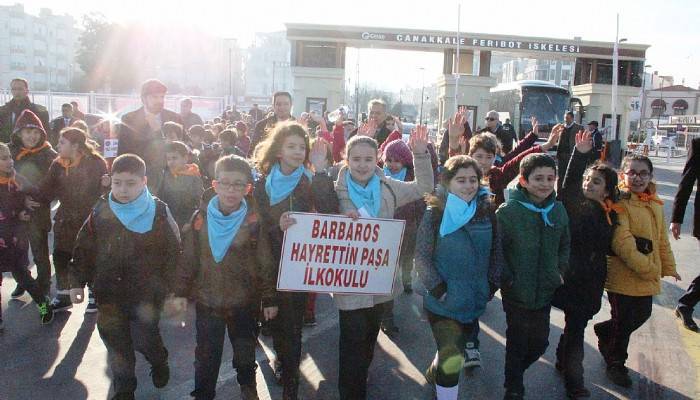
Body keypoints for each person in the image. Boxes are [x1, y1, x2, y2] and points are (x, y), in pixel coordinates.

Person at [333, 127, 434, 400]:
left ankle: (360, 375)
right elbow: (313, 221)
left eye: (368, 159)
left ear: (377, 158)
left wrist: (421, 155)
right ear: (347, 160)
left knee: (367, 340)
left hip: (380, 280)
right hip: (348, 283)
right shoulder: (335, 189)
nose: (362, 165)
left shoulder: (388, 186)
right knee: (351, 343)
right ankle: (351, 393)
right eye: (356, 159)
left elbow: (424, 188)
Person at [69, 154, 181, 400]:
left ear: (144, 181)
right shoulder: (100, 209)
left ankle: (158, 359)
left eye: (130, 183)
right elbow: (83, 247)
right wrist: (76, 282)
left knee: (145, 339)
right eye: (117, 182)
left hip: (146, 294)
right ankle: (124, 389)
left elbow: (174, 252)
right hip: (109, 293)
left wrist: (175, 290)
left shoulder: (159, 211)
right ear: (110, 181)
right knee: (117, 345)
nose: (123, 190)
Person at [174, 155, 277, 400]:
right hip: (208, 301)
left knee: (244, 351)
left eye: (239, 184)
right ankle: (203, 394)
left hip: (244, 302)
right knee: (206, 355)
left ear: (248, 188)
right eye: (226, 183)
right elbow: (188, 260)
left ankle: (248, 387)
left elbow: (264, 261)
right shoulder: (200, 219)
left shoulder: (253, 221)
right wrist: (178, 294)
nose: (231, 190)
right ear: (214, 184)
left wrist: (269, 298)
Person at [255, 122, 338, 400]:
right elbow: (257, 228)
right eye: (291, 146)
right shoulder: (262, 185)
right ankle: (282, 360)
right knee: (278, 324)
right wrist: (276, 225)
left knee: (293, 327)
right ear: (278, 150)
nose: (297, 152)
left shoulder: (310, 180)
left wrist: (321, 169)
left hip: (301, 267)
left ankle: (291, 384)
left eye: (302, 147)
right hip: (272, 265)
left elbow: (329, 209)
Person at [415, 155, 503, 400]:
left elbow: (497, 251)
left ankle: (435, 371)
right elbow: (421, 256)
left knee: (452, 351)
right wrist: (439, 290)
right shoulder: (435, 213)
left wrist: (491, 286)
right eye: (461, 180)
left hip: (474, 299)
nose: (468, 186)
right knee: (451, 359)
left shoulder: (487, 211)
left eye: (473, 180)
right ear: (448, 182)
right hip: (442, 303)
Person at [594, 154, 680, 388]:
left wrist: (668, 266)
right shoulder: (618, 202)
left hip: (645, 274)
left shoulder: (655, 203)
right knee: (623, 324)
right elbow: (622, 244)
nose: (637, 178)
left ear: (651, 176)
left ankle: (604, 331)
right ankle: (616, 363)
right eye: (631, 172)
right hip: (622, 276)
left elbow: (661, 240)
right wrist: (650, 269)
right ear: (623, 175)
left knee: (640, 315)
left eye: (643, 173)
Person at [553, 131, 621, 398]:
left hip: (593, 280)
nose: (589, 184)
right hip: (572, 278)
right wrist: (578, 156)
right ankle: (574, 382)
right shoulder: (575, 205)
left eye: (596, 181)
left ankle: (562, 358)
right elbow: (568, 184)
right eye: (587, 180)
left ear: (607, 188)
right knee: (576, 329)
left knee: (575, 326)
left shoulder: (611, 211)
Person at [497, 153, 570, 400]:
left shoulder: (558, 210)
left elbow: (565, 245)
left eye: (550, 178)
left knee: (540, 343)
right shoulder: (508, 212)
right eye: (538, 178)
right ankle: (514, 386)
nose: (545, 183)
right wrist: (507, 277)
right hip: (517, 291)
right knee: (517, 341)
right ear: (524, 180)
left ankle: (514, 373)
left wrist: (559, 271)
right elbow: (497, 250)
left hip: (545, 290)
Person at [27, 127, 109, 314]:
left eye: (62, 142)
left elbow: (105, 194)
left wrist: (107, 184)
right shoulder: (58, 165)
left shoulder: (96, 163)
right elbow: (46, 190)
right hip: (65, 219)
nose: (58, 146)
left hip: (89, 219)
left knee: (90, 256)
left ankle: (94, 295)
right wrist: (26, 197)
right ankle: (64, 295)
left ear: (75, 145)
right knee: (61, 256)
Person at [0, 142, 54, 330]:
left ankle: (43, 303)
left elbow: (34, 192)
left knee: (21, 274)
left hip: (14, 237)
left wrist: (24, 205)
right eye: (4, 158)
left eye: (9, 156)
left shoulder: (16, 180)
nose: (9, 161)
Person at [8, 110, 57, 298]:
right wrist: (21, 201)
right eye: (28, 131)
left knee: (40, 252)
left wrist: (37, 200)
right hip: (15, 210)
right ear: (19, 133)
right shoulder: (9, 153)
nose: (32, 136)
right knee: (17, 251)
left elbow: (53, 183)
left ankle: (43, 284)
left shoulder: (48, 154)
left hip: (39, 209)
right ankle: (24, 281)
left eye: (36, 132)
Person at [117, 79, 183, 194]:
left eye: (162, 97)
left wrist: (158, 131)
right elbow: (123, 151)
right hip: (138, 179)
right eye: (155, 97)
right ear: (143, 99)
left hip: (170, 181)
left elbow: (180, 149)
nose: (160, 101)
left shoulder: (174, 118)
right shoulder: (129, 119)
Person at [671, 136, 700, 332]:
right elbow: (686, 182)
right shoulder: (698, 145)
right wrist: (676, 218)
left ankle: (686, 304)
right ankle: (686, 304)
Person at [157, 141, 204, 229]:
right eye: (168, 159)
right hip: (167, 220)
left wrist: (190, 221)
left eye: (174, 158)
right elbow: (160, 196)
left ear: (185, 158)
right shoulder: (165, 175)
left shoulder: (193, 176)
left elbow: (199, 201)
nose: (171, 162)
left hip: (185, 222)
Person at [0, 78, 50, 143]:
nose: (17, 92)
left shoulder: (39, 111)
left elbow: (46, 135)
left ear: (27, 91)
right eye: (14, 89)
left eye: (20, 89)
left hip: (31, 150)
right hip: (7, 149)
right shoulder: (3, 111)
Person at [249, 92, 295, 157]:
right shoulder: (261, 125)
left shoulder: (297, 126)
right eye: (278, 104)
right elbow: (252, 151)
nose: (282, 107)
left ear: (291, 105)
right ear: (273, 106)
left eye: (286, 104)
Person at [555, 111, 582, 191]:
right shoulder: (561, 127)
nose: (565, 120)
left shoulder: (578, 128)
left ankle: (568, 193)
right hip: (561, 155)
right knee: (560, 176)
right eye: (565, 118)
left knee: (570, 175)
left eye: (567, 118)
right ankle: (559, 193)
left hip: (571, 155)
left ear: (572, 118)